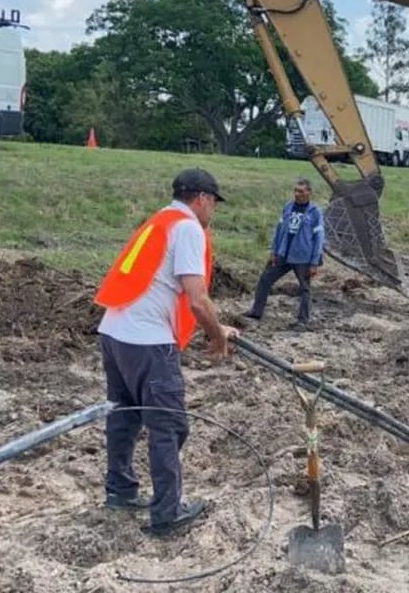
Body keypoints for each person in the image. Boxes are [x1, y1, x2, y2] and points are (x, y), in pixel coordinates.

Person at [93, 167, 239, 537]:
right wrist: (217, 337)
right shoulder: (189, 227)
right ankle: (168, 513)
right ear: (202, 199)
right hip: (147, 342)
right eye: (214, 204)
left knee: (123, 416)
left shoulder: (159, 220)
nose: (213, 213)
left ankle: (121, 490)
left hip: (114, 332)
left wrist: (218, 328)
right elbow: (197, 299)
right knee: (168, 425)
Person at [244, 177, 325, 329]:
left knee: (305, 288)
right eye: (295, 190)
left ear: (309, 192)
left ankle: (303, 320)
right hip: (283, 253)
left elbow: (319, 238)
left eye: (301, 191)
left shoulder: (315, 212)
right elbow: (279, 230)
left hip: (303, 257)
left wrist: (314, 262)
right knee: (265, 280)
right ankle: (256, 311)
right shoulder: (288, 207)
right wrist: (274, 251)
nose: (297, 194)